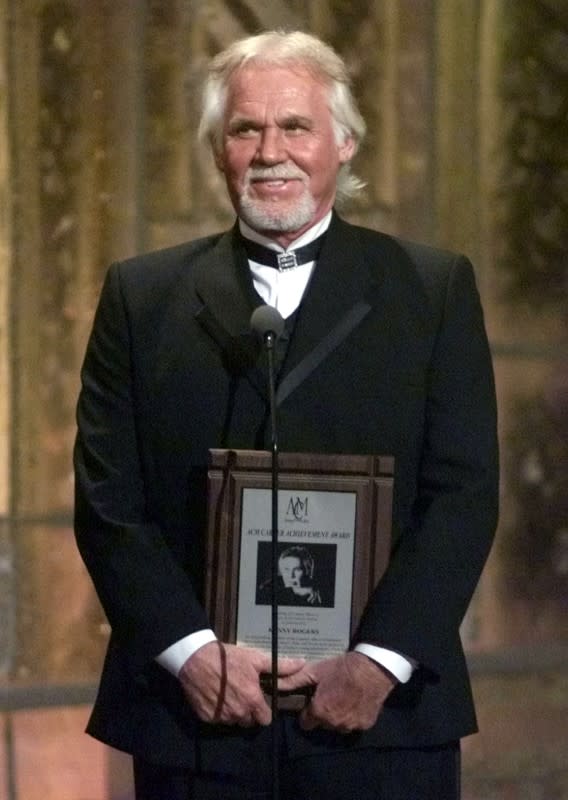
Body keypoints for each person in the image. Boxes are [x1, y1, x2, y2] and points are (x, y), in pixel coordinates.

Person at [74, 29, 499, 800]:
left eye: (296, 126)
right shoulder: (142, 297)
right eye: (246, 128)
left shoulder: (432, 291)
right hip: (197, 725)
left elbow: (464, 498)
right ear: (218, 152)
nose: (271, 150)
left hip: (381, 724)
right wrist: (193, 653)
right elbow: (109, 504)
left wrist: (379, 662)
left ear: (344, 144)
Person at [257, 545, 324, 606]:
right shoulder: (268, 588)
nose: (291, 576)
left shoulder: (318, 592)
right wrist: (297, 590)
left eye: (297, 569)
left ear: (308, 571)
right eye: (286, 569)